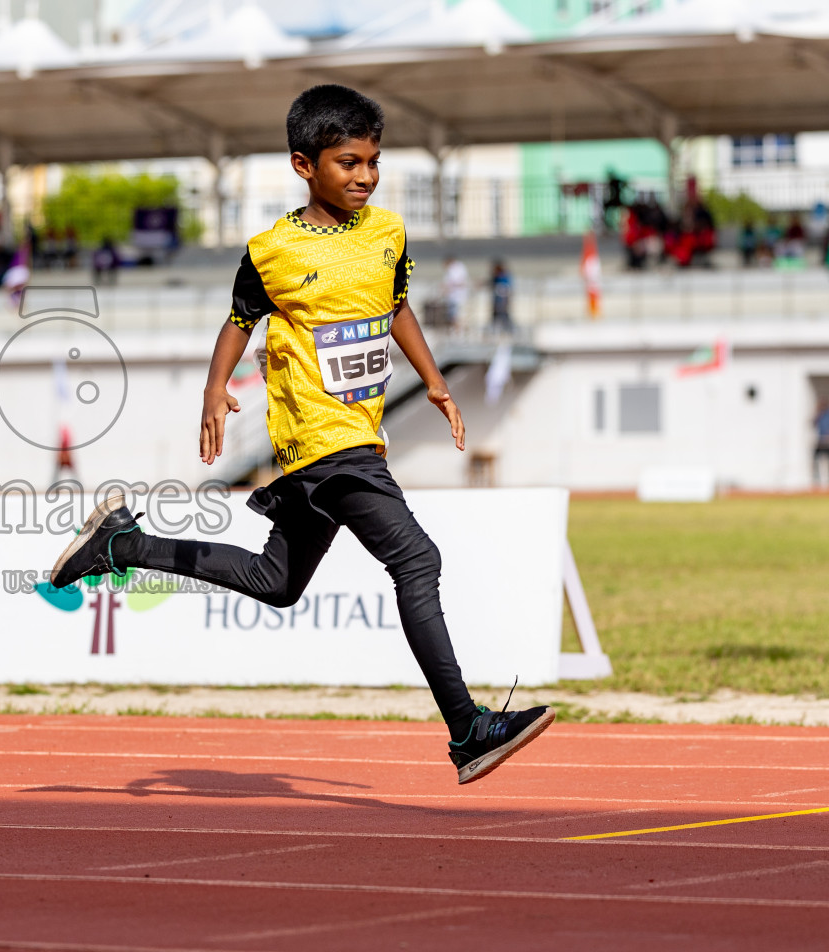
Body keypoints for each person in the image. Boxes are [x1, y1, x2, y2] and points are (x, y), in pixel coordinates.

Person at [48, 84, 554, 785]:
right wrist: (214, 388)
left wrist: (434, 380)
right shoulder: (272, 251)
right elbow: (238, 320)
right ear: (302, 164)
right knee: (417, 560)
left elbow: (398, 306)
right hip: (321, 442)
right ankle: (467, 729)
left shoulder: (389, 234)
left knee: (275, 581)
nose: (366, 176)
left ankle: (120, 542)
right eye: (349, 162)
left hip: (355, 437)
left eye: (374, 161)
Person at [441, 253, 468, 328]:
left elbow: (459, 282)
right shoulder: (452, 269)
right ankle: (454, 327)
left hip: (457, 295)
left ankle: (457, 328)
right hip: (452, 296)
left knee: (456, 314)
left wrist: (449, 287)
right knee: (452, 314)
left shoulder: (458, 268)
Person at [490, 258, 512, 332]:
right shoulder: (497, 277)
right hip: (498, 299)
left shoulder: (503, 276)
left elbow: (506, 289)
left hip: (502, 299)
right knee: (497, 315)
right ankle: (497, 330)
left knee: (503, 315)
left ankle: (507, 330)